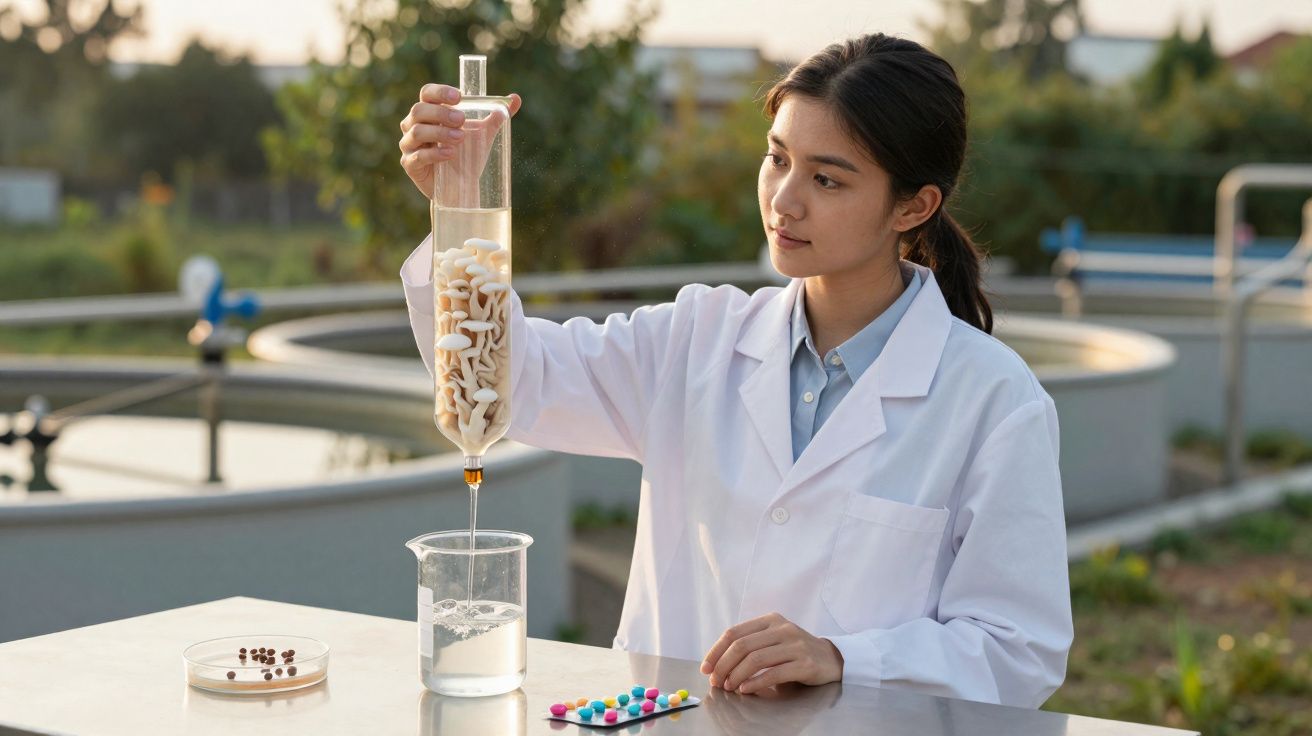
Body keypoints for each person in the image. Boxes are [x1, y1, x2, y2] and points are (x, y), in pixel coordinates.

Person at [398, 33, 1072, 708]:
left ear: (913, 206)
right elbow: (506, 384)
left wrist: (844, 657)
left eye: (827, 179)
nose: (784, 200)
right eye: (778, 159)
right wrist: (458, 209)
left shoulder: (993, 399)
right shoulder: (694, 339)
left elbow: (1019, 650)